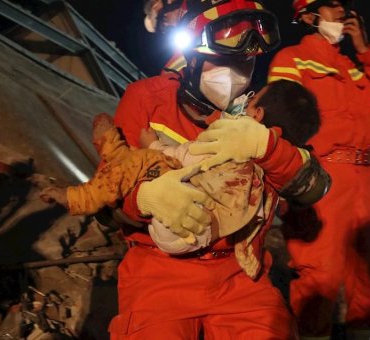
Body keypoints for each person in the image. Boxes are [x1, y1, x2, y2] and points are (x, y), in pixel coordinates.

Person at [109, 0, 330, 338]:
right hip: (159, 275)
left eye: (246, 63)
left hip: (241, 274)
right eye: (224, 61)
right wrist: (144, 198)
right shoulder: (146, 98)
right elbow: (108, 191)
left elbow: (312, 186)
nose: (236, 74)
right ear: (193, 58)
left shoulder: (260, 118)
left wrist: (266, 147)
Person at [41, 81, 322, 279]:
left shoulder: (236, 133)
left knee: (137, 163)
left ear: (257, 113)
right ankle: (110, 156)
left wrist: (154, 147)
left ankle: (94, 174)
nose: (243, 98)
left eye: (252, 98)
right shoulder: (151, 95)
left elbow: (190, 155)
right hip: (186, 253)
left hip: (183, 233)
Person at [267, 0, 370, 336]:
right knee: (320, 273)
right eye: (331, 6)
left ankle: (362, 332)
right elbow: (281, 118)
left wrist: (365, 49)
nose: (341, 12)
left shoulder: (353, 65)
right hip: (323, 175)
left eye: (343, 6)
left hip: (366, 178)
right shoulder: (291, 59)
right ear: (308, 16)